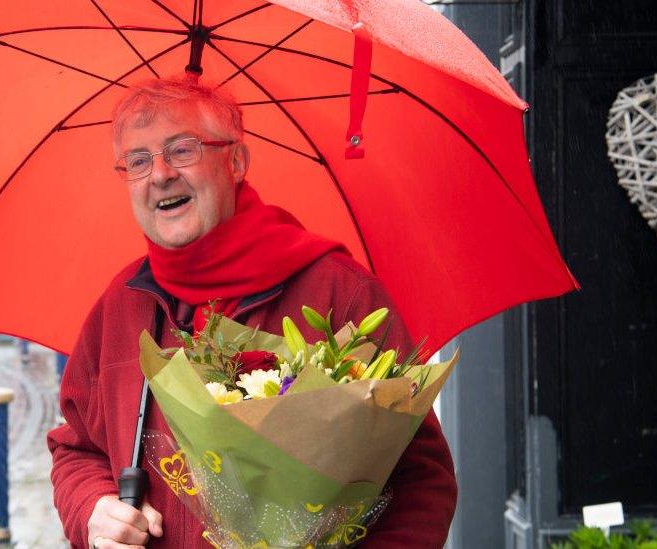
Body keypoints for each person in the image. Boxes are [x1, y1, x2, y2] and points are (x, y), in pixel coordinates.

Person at [47, 76, 457, 549]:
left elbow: (421, 478)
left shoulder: (337, 292)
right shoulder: (120, 305)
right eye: (137, 161)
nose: (160, 174)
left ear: (236, 161)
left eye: (183, 150)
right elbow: (76, 448)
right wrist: (92, 511)